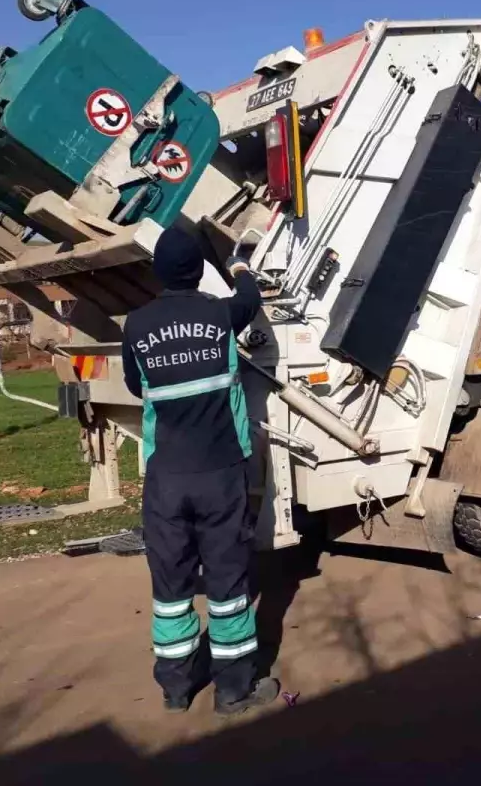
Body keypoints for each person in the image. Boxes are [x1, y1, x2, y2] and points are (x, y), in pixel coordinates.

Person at [121, 226, 279, 716]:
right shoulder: (219, 314)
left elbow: (135, 385)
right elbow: (249, 298)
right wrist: (239, 266)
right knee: (228, 583)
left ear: (159, 272)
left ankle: (176, 688)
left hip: (166, 478)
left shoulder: (137, 325)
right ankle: (233, 690)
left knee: (171, 585)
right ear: (197, 270)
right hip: (221, 475)